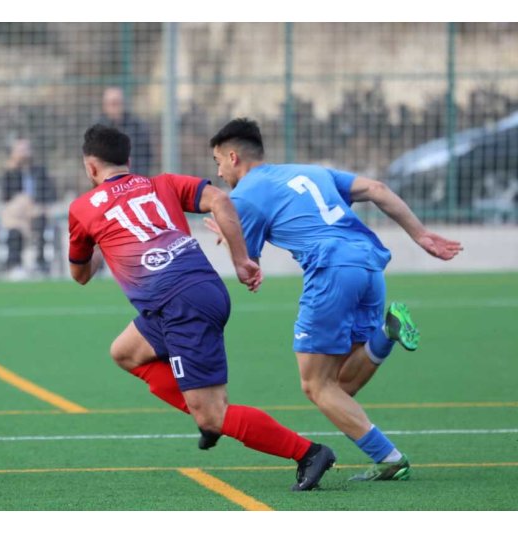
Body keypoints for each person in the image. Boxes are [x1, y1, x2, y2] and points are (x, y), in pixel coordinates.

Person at [68, 124, 336, 491]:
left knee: (213, 414)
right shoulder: (162, 183)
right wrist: (241, 260)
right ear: (128, 160)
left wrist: (98, 240)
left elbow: (81, 275)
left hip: (179, 305)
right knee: (125, 352)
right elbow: (220, 200)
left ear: (90, 166)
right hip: (197, 291)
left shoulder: (83, 208)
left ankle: (308, 452)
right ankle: (205, 413)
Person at [206, 118, 463, 481]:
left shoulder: (243, 196)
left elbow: (249, 269)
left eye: (218, 162)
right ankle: (386, 333)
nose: (219, 172)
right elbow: (376, 188)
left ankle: (389, 458)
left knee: (315, 385)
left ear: (233, 157)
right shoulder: (309, 171)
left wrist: (229, 235)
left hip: (332, 270)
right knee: (341, 384)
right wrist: (420, 235)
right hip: (369, 265)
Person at [0, 137, 57, 276]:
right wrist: (12, 170)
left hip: (36, 212)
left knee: (41, 223)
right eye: (20, 150)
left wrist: (37, 205)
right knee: (14, 230)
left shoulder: (39, 171)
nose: (23, 153)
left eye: (26, 149)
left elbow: (50, 193)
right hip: (17, 215)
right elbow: (5, 196)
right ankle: (15, 265)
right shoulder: (9, 173)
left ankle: (40, 263)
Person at [98, 87, 153, 177]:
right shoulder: (97, 129)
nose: (114, 107)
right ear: (104, 106)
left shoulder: (137, 127)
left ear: (123, 104)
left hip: (133, 178)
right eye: (111, 103)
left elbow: (145, 156)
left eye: (117, 103)